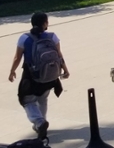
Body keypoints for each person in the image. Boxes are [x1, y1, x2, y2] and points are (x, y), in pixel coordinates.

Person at [9, 12, 70, 140]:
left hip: (32, 77)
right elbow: (59, 55)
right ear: (45, 23)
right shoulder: (53, 37)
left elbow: (17, 58)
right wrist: (65, 70)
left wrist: (12, 71)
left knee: (27, 100)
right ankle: (41, 124)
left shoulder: (24, 38)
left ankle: (39, 122)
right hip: (50, 76)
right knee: (43, 98)